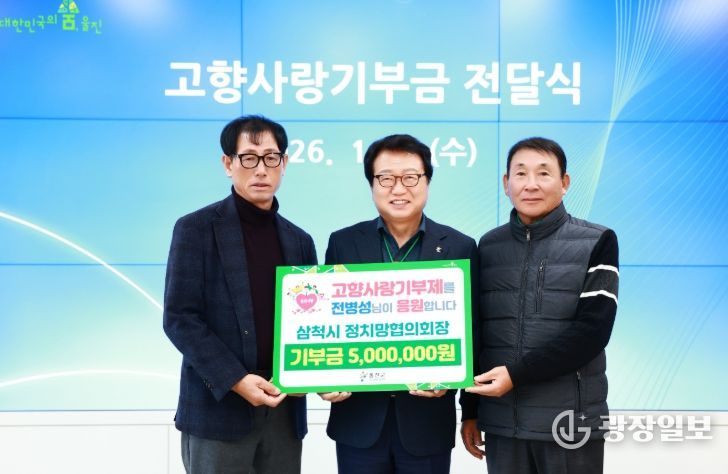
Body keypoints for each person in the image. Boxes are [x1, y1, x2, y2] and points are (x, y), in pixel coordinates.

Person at [163, 115, 317, 474]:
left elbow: (310, 323)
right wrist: (235, 379)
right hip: (219, 408)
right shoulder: (196, 229)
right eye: (249, 158)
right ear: (228, 164)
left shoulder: (300, 241)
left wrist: (306, 375)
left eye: (271, 158)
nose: (261, 169)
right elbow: (180, 318)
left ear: (284, 163)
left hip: (283, 408)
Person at [321, 134, 479, 474]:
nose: (398, 189)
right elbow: (327, 323)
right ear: (371, 184)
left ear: (427, 182)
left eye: (410, 177)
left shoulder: (461, 247)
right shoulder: (343, 243)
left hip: (427, 424)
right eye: (386, 178)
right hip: (358, 423)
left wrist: (466, 402)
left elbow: (473, 333)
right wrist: (324, 378)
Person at [461, 137, 619, 473]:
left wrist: (516, 375)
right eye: (520, 174)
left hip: (571, 425)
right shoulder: (488, 246)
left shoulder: (598, 240)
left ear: (565, 183)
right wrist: (470, 410)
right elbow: (477, 333)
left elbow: (592, 332)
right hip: (503, 425)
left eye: (544, 173)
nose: (531, 184)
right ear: (506, 183)